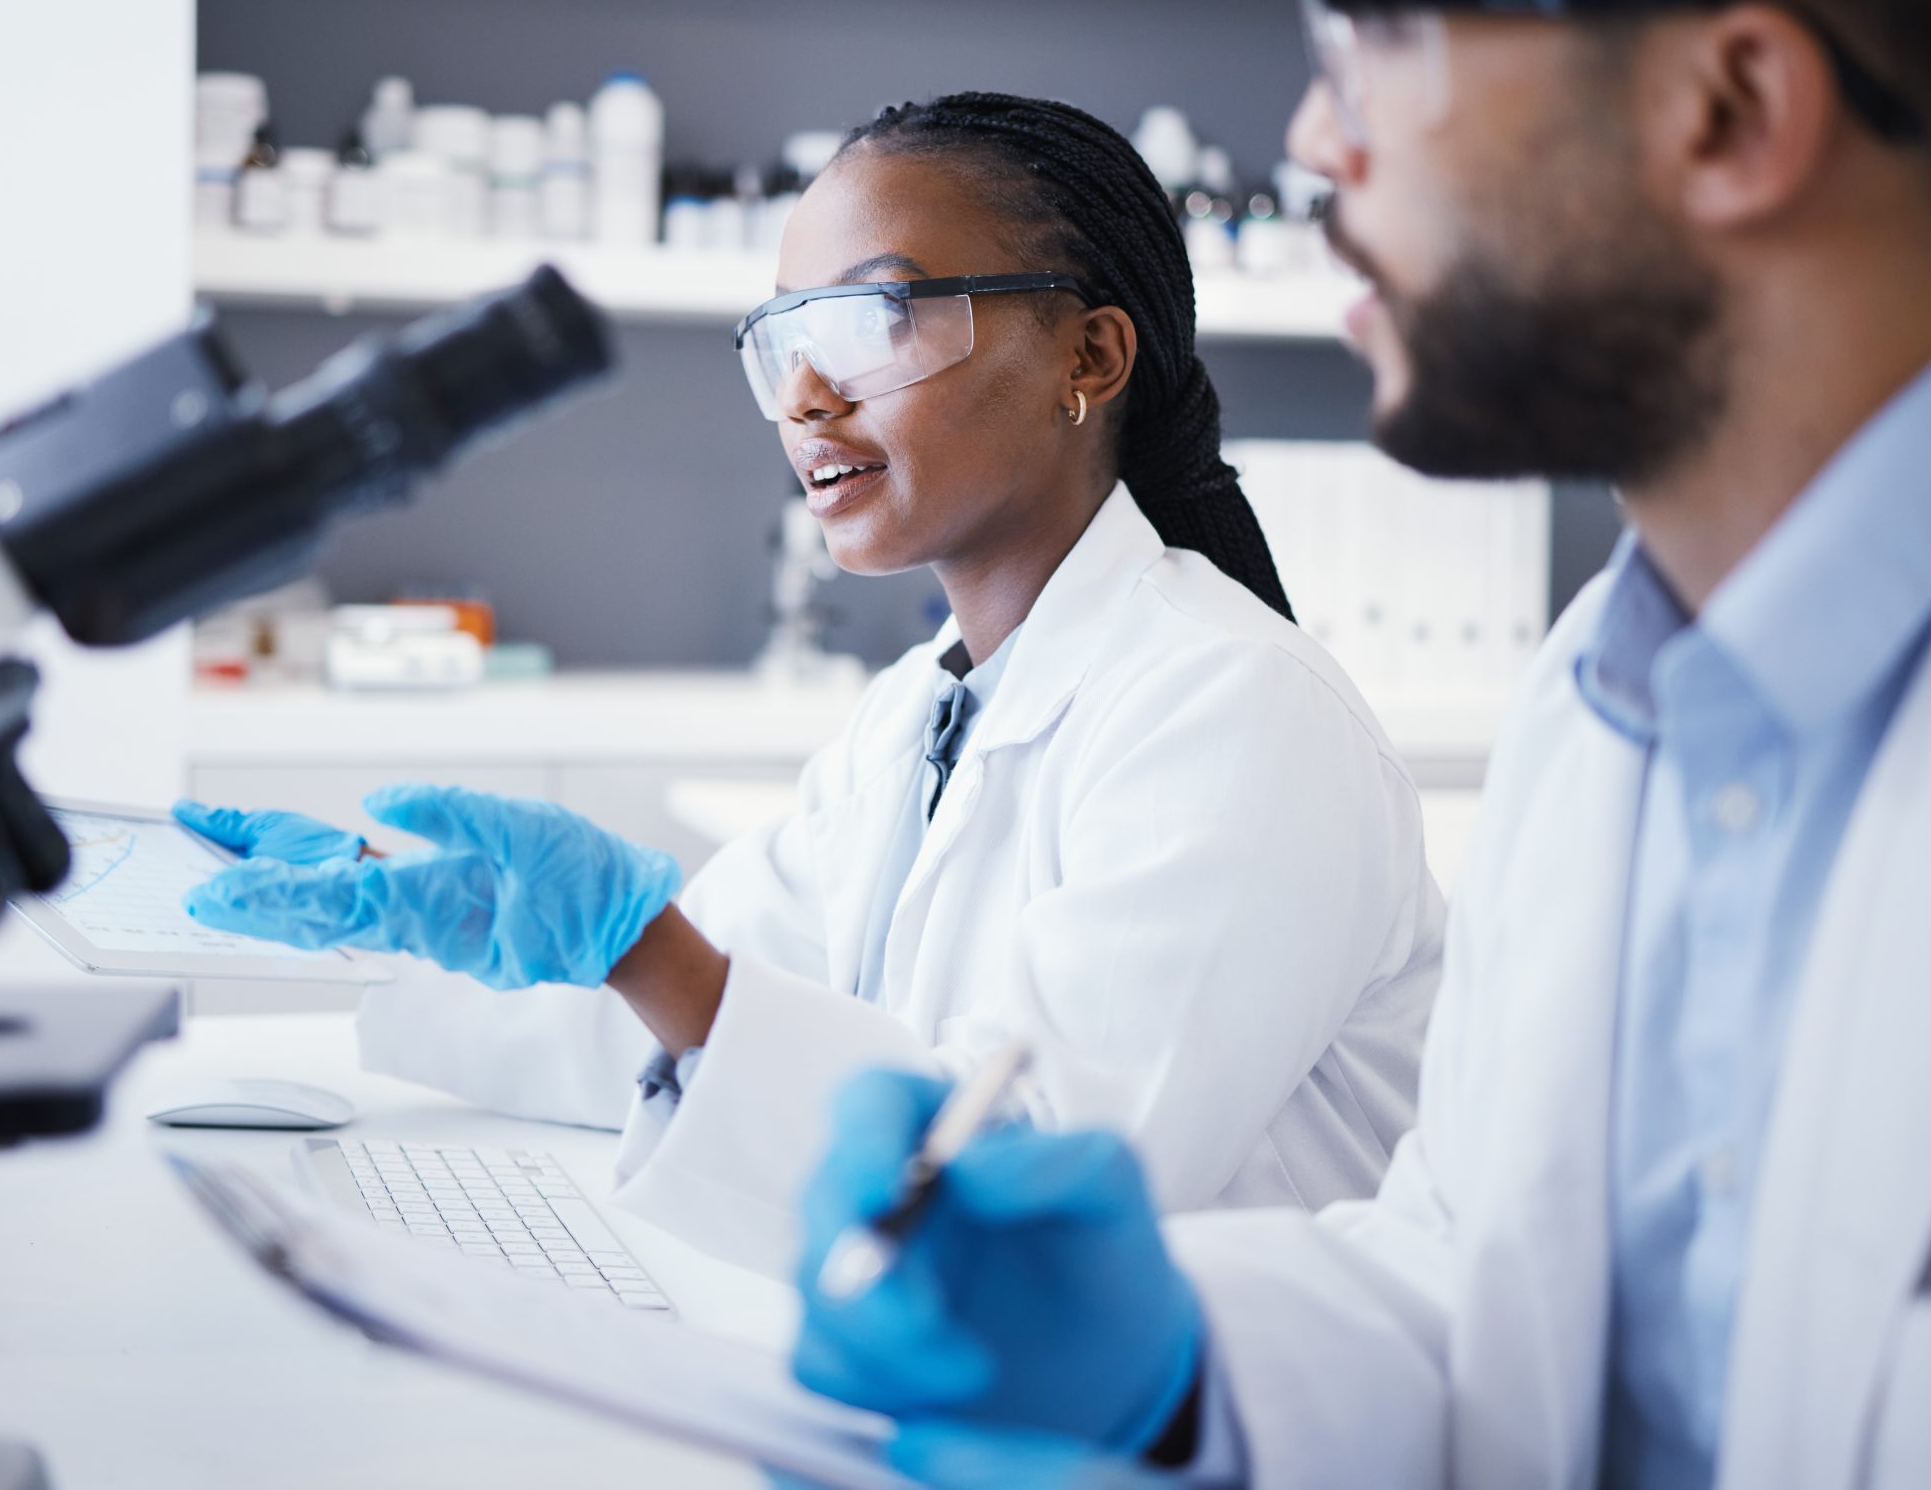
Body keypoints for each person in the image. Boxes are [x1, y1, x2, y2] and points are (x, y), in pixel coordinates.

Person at [787, 0, 1931, 1485]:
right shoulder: (1605, 693)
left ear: (1729, 106)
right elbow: (1484, 1295)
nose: (1319, 141)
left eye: (1381, 26)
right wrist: (1174, 1369)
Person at [176, 93, 1445, 1272]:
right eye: (782, 336)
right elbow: (679, 1023)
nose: (803, 395)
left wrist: (646, 950)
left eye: (874, 320)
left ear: (1090, 357)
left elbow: (1032, 1176)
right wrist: (402, 916)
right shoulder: (917, 714)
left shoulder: (1239, 710)